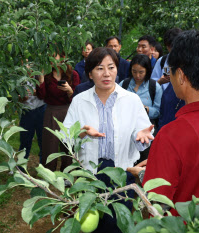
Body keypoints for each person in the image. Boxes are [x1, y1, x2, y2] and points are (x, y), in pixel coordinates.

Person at [137, 30, 199, 216]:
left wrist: (142, 177)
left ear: (181, 76)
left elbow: (153, 210)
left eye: (170, 71)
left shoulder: (171, 136)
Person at [63, 47, 154, 232]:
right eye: (99, 68)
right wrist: (81, 133)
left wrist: (142, 138)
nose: (106, 73)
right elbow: (65, 136)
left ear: (117, 69)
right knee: (91, 224)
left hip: (122, 173)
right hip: (90, 174)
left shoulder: (132, 100)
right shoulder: (79, 101)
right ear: (90, 73)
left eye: (111, 67)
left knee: (117, 224)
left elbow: (142, 134)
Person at [36, 53, 80, 172]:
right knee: (49, 145)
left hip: (69, 111)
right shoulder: (47, 75)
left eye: (55, 57)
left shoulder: (72, 74)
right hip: (51, 111)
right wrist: (41, 79)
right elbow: (42, 96)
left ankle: (67, 173)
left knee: (68, 145)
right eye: (50, 58)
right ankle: (48, 173)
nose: (53, 61)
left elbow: (78, 97)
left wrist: (70, 91)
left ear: (63, 57)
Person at [119, 54, 163, 163]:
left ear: (147, 71)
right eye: (134, 71)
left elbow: (158, 111)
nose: (137, 75)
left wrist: (146, 109)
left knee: (144, 161)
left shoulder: (154, 87)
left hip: (146, 130)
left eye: (141, 72)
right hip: (126, 129)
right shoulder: (124, 84)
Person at [18, 75, 46, 162]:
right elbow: (17, 98)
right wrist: (22, 97)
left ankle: (43, 167)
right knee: (25, 140)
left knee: (43, 140)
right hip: (27, 111)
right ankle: (21, 167)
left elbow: (48, 93)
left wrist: (37, 92)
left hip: (41, 109)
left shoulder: (42, 75)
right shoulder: (18, 79)